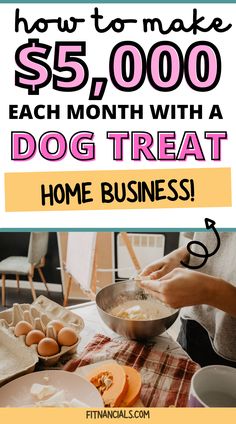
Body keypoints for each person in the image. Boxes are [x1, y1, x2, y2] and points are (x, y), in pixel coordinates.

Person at [140, 232, 236, 367]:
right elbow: (209, 239)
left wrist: (211, 292)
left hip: (230, 350)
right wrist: (179, 255)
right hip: (193, 324)